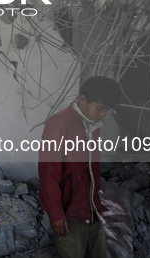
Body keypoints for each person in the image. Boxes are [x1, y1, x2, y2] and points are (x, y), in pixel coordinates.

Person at [38, 76, 120, 258]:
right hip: (69, 213)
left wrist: (95, 203)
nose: (103, 115)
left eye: (106, 110)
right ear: (82, 99)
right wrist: (55, 213)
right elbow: (48, 174)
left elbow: (91, 169)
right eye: (100, 108)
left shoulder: (93, 124)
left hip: (91, 207)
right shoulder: (59, 124)